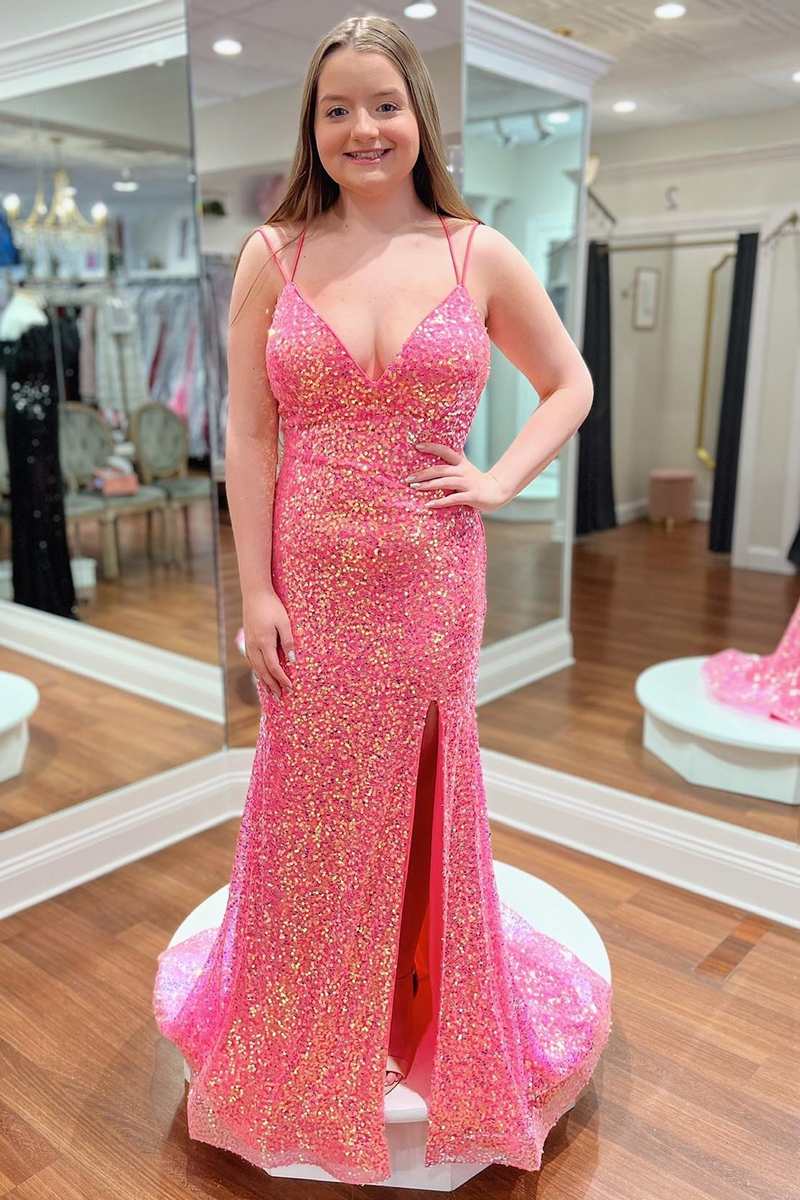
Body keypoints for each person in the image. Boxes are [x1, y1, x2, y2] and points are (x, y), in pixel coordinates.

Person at [153, 13, 612, 1185]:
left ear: (419, 118)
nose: (362, 128)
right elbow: (249, 435)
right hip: (308, 579)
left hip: (428, 577)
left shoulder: (475, 254)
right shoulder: (271, 254)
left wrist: (499, 479)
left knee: (418, 783)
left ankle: (415, 1007)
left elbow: (567, 382)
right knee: (307, 795)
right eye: (336, 109)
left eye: (383, 105)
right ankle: (305, 1004)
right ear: (311, 126)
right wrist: (256, 588)